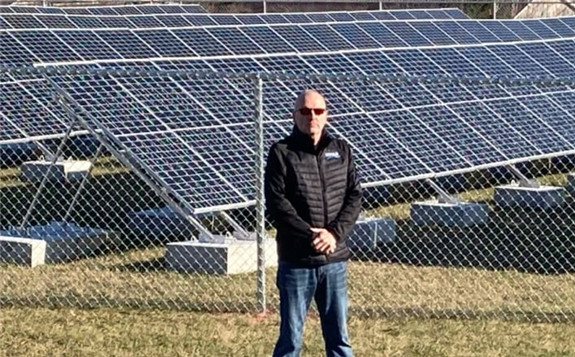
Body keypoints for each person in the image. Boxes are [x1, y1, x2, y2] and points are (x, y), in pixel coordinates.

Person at [264, 89, 362, 357]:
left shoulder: (341, 150)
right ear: (294, 116)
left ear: (327, 116)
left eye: (318, 111)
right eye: (305, 111)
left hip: (334, 260)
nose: (312, 117)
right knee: (291, 339)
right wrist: (311, 235)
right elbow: (277, 204)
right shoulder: (282, 152)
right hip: (297, 262)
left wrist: (333, 234)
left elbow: (354, 196)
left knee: (339, 340)